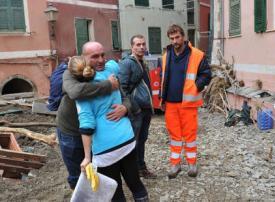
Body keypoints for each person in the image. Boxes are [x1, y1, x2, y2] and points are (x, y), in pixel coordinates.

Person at [67, 55, 148, 202]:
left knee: (115, 190)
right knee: (135, 183)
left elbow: (87, 125)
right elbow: (115, 62)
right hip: (126, 138)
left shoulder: (82, 94)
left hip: (105, 149)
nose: (101, 59)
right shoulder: (110, 71)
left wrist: (87, 157)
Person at [56, 41, 129, 190]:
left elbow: (124, 96)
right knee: (78, 173)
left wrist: (125, 108)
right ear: (83, 57)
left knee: (99, 171)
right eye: (95, 56)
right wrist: (108, 85)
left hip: (97, 133)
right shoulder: (71, 72)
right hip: (72, 132)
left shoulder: (108, 71)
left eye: (103, 55)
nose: (101, 60)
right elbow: (76, 92)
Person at [160, 24, 212, 178]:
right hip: (170, 103)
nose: (175, 41)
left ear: (183, 37)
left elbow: (206, 74)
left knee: (189, 135)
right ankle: (175, 165)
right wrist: (161, 99)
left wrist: (196, 86)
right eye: (172, 38)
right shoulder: (166, 56)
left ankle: (192, 164)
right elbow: (164, 78)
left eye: (177, 37)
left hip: (188, 103)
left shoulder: (197, 54)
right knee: (174, 136)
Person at [118, 35, 156, 179]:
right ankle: (132, 172)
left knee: (142, 139)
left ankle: (141, 167)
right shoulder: (127, 63)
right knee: (134, 142)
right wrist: (134, 108)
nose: (141, 47)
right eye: (138, 44)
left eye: (143, 44)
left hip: (145, 109)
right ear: (132, 46)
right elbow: (123, 89)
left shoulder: (142, 62)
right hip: (136, 110)